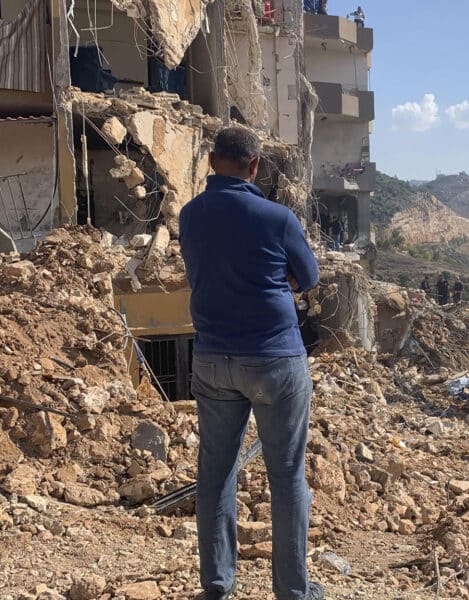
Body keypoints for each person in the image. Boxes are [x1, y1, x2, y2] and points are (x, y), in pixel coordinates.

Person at [179, 127, 324, 600]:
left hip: (212, 359)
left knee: (216, 472)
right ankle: (292, 593)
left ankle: (218, 585)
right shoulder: (277, 218)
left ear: (211, 160)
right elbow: (309, 275)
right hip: (275, 359)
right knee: (286, 477)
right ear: (255, 165)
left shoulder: (190, 216)